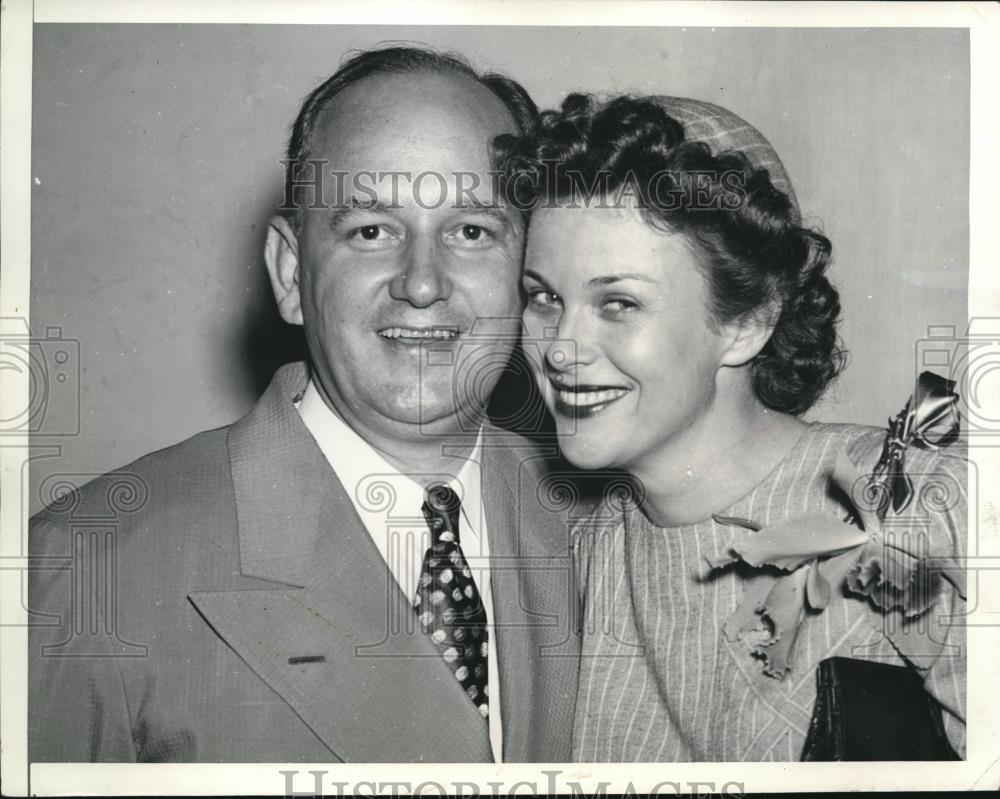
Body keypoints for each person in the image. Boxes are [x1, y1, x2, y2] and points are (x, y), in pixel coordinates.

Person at [28, 46, 581, 763]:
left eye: (472, 231)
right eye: (371, 230)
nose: (421, 283)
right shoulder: (83, 567)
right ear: (291, 272)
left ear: (528, 274)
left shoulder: (600, 530)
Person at [499, 94, 967, 761]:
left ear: (748, 320)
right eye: (544, 297)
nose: (560, 348)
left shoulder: (915, 506)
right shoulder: (583, 550)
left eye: (619, 303)